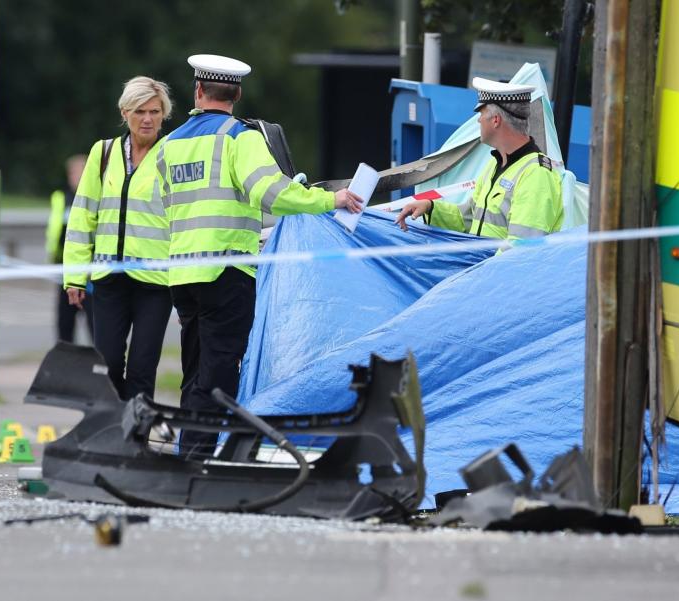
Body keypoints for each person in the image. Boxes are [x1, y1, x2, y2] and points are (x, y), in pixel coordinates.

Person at [156, 54, 363, 457]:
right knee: (218, 374)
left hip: (183, 274)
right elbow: (270, 192)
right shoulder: (239, 137)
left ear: (198, 91)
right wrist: (328, 198)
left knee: (194, 371)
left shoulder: (169, 145)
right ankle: (199, 460)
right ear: (237, 94)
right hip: (226, 271)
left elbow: (170, 206)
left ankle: (188, 452)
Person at [63, 76, 175, 401]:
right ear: (125, 112)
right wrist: (74, 277)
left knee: (142, 368)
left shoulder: (173, 156)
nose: (148, 119)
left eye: (155, 111)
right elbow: (83, 216)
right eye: (140, 111)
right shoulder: (103, 153)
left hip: (156, 282)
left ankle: (135, 439)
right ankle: (111, 430)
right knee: (109, 362)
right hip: (110, 279)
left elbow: (183, 223)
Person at [395, 77, 563, 240]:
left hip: (497, 268)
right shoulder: (496, 164)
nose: (478, 120)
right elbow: (469, 219)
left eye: (481, 113)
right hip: (485, 267)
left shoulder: (536, 175)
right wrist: (430, 207)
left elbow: (521, 250)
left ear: (496, 120)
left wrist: (482, 269)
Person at [47, 154, 95, 342]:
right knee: (64, 324)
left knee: (95, 325)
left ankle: (101, 366)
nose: (75, 176)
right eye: (72, 172)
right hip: (64, 268)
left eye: (79, 172)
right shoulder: (60, 198)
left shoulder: (96, 198)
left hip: (90, 273)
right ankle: (65, 364)